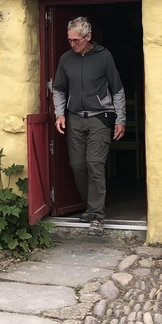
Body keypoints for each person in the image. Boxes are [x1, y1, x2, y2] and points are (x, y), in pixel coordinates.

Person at [53, 17, 126, 236]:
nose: (72, 44)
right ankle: (90, 205)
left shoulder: (104, 56)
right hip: (75, 117)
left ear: (88, 37)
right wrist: (59, 114)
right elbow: (59, 89)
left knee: (95, 163)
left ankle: (96, 216)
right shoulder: (66, 59)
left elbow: (118, 90)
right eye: (69, 40)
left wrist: (120, 119)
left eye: (76, 40)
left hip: (100, 117)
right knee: (77, 165)